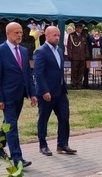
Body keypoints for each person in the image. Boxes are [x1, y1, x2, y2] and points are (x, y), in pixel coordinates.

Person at [0, 22, 37, 168]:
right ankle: (17, 158)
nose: (19, 35)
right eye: (16, 33)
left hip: (20, 95)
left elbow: (28, 74)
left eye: (21, 33)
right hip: (7, 96)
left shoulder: (23, 51)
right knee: (12, 126)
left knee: (8, 124)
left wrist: (33, 94)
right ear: (8, 34)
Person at [33, 26, 77, 156]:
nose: (57, 37)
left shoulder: (60, 51)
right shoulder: (40, 51)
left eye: (58, 35)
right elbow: (38, 73)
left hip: (60, 92)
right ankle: (43, 145)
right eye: (54, 35)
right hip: (47, 93)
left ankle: (62, 144)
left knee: (64, 117)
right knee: (44, 119)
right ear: (46, 36)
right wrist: (45, 91)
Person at [67, 23, 88, 89]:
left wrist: (86, 55)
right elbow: (69, 46)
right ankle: (74, 84)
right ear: (76, 28)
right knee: (74, 71)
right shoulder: (71, 35)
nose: (81, 29)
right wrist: (70, 55)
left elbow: (86, 46)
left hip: (82, 56)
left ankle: (79, 83)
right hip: (75, 56)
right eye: (79, 28)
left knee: (81, 71)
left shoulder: (83, 36)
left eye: (81, 28)